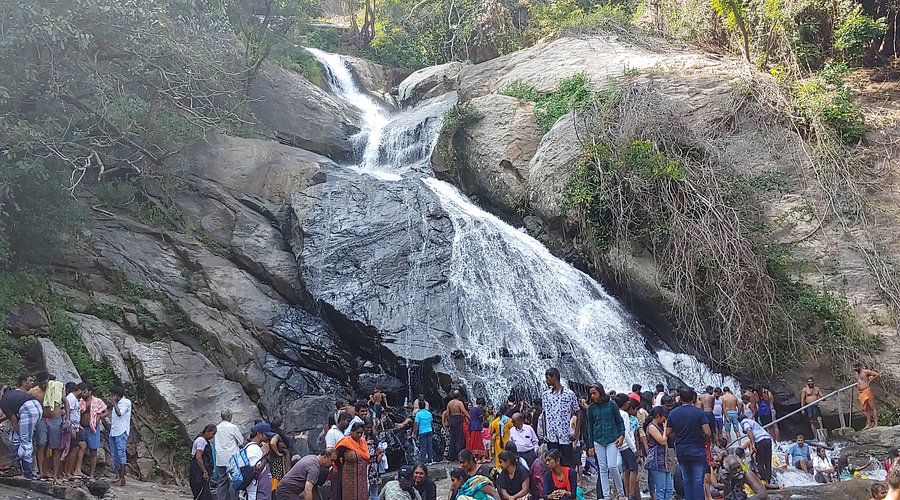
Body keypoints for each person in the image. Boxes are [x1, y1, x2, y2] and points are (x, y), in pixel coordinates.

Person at [667, 387, 710, 500]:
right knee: (697, 481)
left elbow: (668, 433)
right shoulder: (699, 412)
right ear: (693, 398)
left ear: (680, 398)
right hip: (697, 449)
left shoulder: (673, 413)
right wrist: (701, 438)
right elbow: (707, 432)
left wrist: (678, 437)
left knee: (687, 480)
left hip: (681, 449)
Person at [585, 383, 624, 499]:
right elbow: (590, 427)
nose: (592, 396)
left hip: (612, 439)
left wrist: (621, 435)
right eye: (591, 394)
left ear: (600, 392)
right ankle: (606, 496)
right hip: (598, 440)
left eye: (594, 393)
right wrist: (590, 446)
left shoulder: (611, 405)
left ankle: (621, 492)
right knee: (602, 468)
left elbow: (619, 421)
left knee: (612, 466)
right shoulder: (591, 408)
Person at [0, 376, 41, 479]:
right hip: (35, 408)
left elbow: (13, 420)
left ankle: (27, 474)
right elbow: (9, 414)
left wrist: (20, 432)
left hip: (29, 411)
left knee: (25, 441)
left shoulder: (4, 401)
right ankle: (15, 468)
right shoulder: (12, 395)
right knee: (16, 439)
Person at [540, 368, 580, 468]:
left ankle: (568, 483)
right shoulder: (545, 395)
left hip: (565, 435)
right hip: (552, 436)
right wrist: (545, 434)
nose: (546, 380)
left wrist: (576, 433)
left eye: (547, 377)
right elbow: (544, 414)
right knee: (552, 462)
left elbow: (578, 413)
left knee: (567, 463)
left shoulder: (569, 394)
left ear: (554, 377)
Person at [79, 383, 108, 480]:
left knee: (93, 452)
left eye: (85, 391)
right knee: (79, 449)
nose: (83, 393)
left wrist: (99, 416)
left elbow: (106, 412)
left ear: (90, 391)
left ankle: (91, 475)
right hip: (82, 427)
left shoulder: (97, 401)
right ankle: (77, 471)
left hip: (93, 429)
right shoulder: (80, 401)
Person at [216, 410, 246, 500]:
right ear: (229, 416)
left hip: (220, 459)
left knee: (222, 482)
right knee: (234, 481)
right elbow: (241, 441)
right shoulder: (232, 427)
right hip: (232, 459)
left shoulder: (217, 427)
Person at [336, 422, 370, 500]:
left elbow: (366, 456)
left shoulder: (362, 442)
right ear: (352, 431)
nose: (359, 435)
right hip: (348, 477)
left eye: (361, 433)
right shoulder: (345, 443)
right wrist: (340, 468)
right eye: (357, 432)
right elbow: (336, 457)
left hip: (362, 477)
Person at [646, 406, 674, 500]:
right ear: (658, 416)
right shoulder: (651, 427)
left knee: (669, 488)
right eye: (663, 417)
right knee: (660, 489)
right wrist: (665, 428)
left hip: (665, 461)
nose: (664, 419)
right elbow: (662, 441)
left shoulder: (658, 427)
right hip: (656, 461)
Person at [615, 394, 639, 500]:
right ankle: (631, 494)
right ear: (625, 404)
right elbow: (626, 432)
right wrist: (634, 448)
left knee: (626, 469)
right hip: (627, 445)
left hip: (619, 446)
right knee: (634, 469)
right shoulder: (624, 414)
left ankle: (626, 493)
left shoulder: (615, 413)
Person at [245, 422, 276, 500]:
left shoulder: (257, 447)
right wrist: (265, 453)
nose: (268, 437)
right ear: (259, 434)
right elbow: (256, 470)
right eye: (266, 435)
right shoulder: (252, 448)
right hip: (255, 493)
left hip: (260, 492)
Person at [108, 385, 132, 486]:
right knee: (114, 455)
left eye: (113, 395)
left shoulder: (126, 402)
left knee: (121, 454)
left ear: (117, 395)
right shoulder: (117, 404)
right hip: (113, 432)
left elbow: (119, 414)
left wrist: (114, 403)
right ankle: (118, 476)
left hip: (121, 432)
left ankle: (122, 479)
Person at [739, 416, 773, 483]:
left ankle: (764, 481)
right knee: (768, 461)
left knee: (759, 462)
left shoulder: (744, 422)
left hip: (760, 440)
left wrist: (752, 443)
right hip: (768, 439)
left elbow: (748, 430)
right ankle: (769, 480)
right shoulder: (752, 422)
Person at [63, 382, 86, 480]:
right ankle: (67, 472)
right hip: (71, 428)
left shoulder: (74, 399)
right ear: (79, 390)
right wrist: (71, 427)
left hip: (75, 427)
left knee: (74, 449)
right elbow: (68, 413)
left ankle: (69, 471)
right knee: (72, 449)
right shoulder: (71, 398)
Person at [191, 424, 218, 500]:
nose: (212, 436)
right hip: (198, 472)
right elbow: (198, 457)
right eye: (212, 434)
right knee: (202, 494)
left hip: (199, 471)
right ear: (207, 431)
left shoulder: (204, 440)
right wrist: (204, 471)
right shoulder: (201, 441)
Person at [854, 363, 881, 430]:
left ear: (860, 367)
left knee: (872, 407)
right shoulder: (856, 374)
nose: (855, 369)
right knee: (866, 409)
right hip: (861, 392)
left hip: (867, 390)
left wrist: (870, 381)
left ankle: (876, 424)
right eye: (854, 368)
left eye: (856, 367)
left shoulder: (866, 372)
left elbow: (877, 374)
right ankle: (868, 424)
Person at [447, 391, 468, 461]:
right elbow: (464, 411)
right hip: (458, 419)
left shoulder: (450, 403)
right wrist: (470, 418)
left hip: (452, 419)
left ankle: (452, 457)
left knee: (453, 438)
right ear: (459, 396)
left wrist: (449, 420)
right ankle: (459, 456)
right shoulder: (459, 403)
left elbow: (447, 413)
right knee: (459, 438)